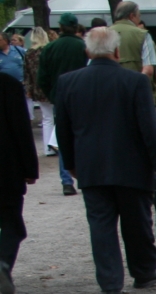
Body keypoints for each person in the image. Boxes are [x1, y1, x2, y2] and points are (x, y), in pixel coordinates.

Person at [55, 26, 156, 294]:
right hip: (131, 163)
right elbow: (148, 128)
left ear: (87, 51)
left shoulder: (68, 82)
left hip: (91, 165)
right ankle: (143, 271)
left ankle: (110, 281)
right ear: (117, 51)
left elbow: (63, 129)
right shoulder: (134, 82)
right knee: (137, 222)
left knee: (100, 224)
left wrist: (70, 163)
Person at [36, 12, 87, 195]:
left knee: (62, 136)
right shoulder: (82, 46)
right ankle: (85, 175)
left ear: (60, 26)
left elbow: (41, 77)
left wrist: (53, 95)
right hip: (82, 97)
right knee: (84, 135)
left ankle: (66, 180)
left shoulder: (50, 48)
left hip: (60, 96)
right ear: (76, 27)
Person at [1, 64, 37, 294]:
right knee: (12, 222)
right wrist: (29, 168)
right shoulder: (8, 85)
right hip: (6, 166)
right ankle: (3, 260)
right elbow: (21, 128)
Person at [110, 3, 156, 83]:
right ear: (132, 16)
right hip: (134, 89)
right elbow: (148, 70)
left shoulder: (103, 34)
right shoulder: (143, 35)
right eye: (139, 16)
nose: (139, 19)